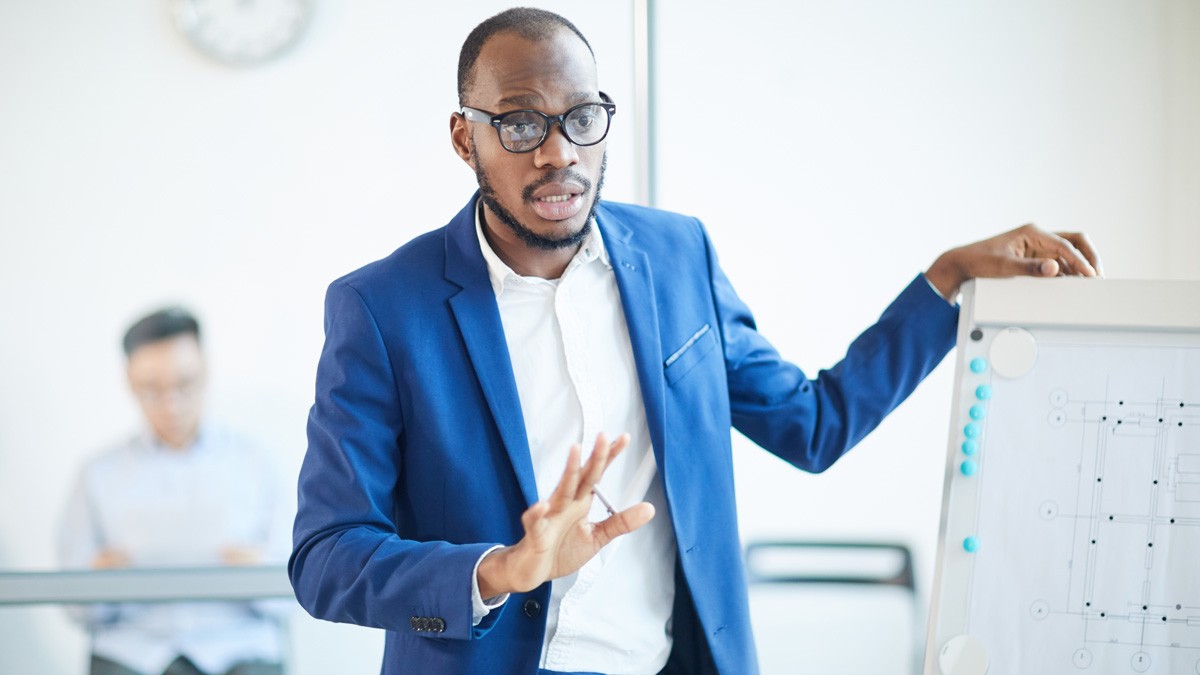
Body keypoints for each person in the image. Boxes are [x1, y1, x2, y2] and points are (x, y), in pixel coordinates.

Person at [289, 8, 1103, 675]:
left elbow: (812, 425)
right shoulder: (382, 308)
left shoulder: (679, 258)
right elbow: (325, 556)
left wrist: (949, 279)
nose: (559, 151)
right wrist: (499, 569)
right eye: (520, 123)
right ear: (466, 138)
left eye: (579, 117)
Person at [59, 307, 288, 675]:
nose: (171, 404)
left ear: (206, 371)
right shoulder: (97, 474)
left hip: (237, 646)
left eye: (185, 384)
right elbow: (74, 606)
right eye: (152, 390)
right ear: (129, 383)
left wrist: (256, 571)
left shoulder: (257, 462)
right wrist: (99, 578)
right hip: (133, 650)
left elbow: (296, 590)